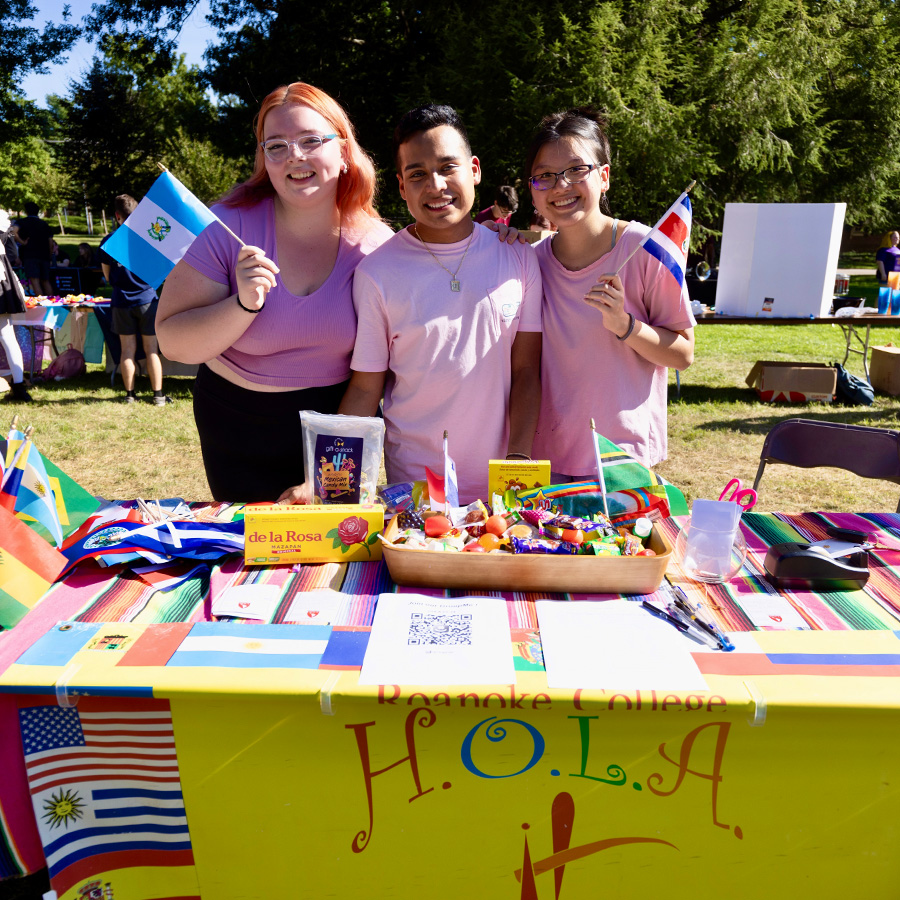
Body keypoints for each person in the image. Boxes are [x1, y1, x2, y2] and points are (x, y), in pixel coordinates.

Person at [157, 82, 394, 502]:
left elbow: (373, 377)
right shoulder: (226, 226)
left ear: (343, 151)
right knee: (256, 554)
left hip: (338, 420)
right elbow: (174, 342)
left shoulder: (377, 246)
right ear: (263, 159)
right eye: (277, 145)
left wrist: (509, 244)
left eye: (310, 141)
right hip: (234, 424)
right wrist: (243, 304)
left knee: (327, 551)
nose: (294, 157)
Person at [320, 104, 542, 504]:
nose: (435, 185)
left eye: (447, 167)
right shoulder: (377, 273)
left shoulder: (519, 258)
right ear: (402, 188)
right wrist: (329, 478)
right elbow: (366, 387)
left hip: (502, 489)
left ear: (474, 170)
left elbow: (526, 371)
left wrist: (518, 461)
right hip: (415, 490)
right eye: (417, 174)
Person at [525, 107, 694, 479]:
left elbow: (683, 353)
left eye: (576, 170)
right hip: (544, 458)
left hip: (621, 460)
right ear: (532, 190)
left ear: (604, 177)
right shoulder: (528, 262)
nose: (561, 185)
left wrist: (625, 325)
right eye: (545, 176)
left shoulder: (646, 249)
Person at [99, 195, 166, 406]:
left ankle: (130, 395)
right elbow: (160, 270)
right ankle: (158, 396)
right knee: (151, 349)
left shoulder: (109, 241)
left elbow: (108, 276)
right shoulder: (149, 237)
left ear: (117, 216)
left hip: (121, 301)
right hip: (147, 299)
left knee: (126, 349)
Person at [0, 211, 33, 402]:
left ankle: (19, 388)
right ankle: (19, 387)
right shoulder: (3, 221)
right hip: (4, 280)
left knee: (7, 336)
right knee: (8, 336)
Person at [15, 202, 53, 296]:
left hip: (30, 255)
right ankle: (52, 302)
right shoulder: (44, 224)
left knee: (34, 281)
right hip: (44, 255)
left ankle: (41, 303)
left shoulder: (22, 222)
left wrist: (22, 241)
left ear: (26, 211)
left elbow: (13, 231)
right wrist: (50, 255)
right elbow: (50, 241)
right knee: (45, 281)